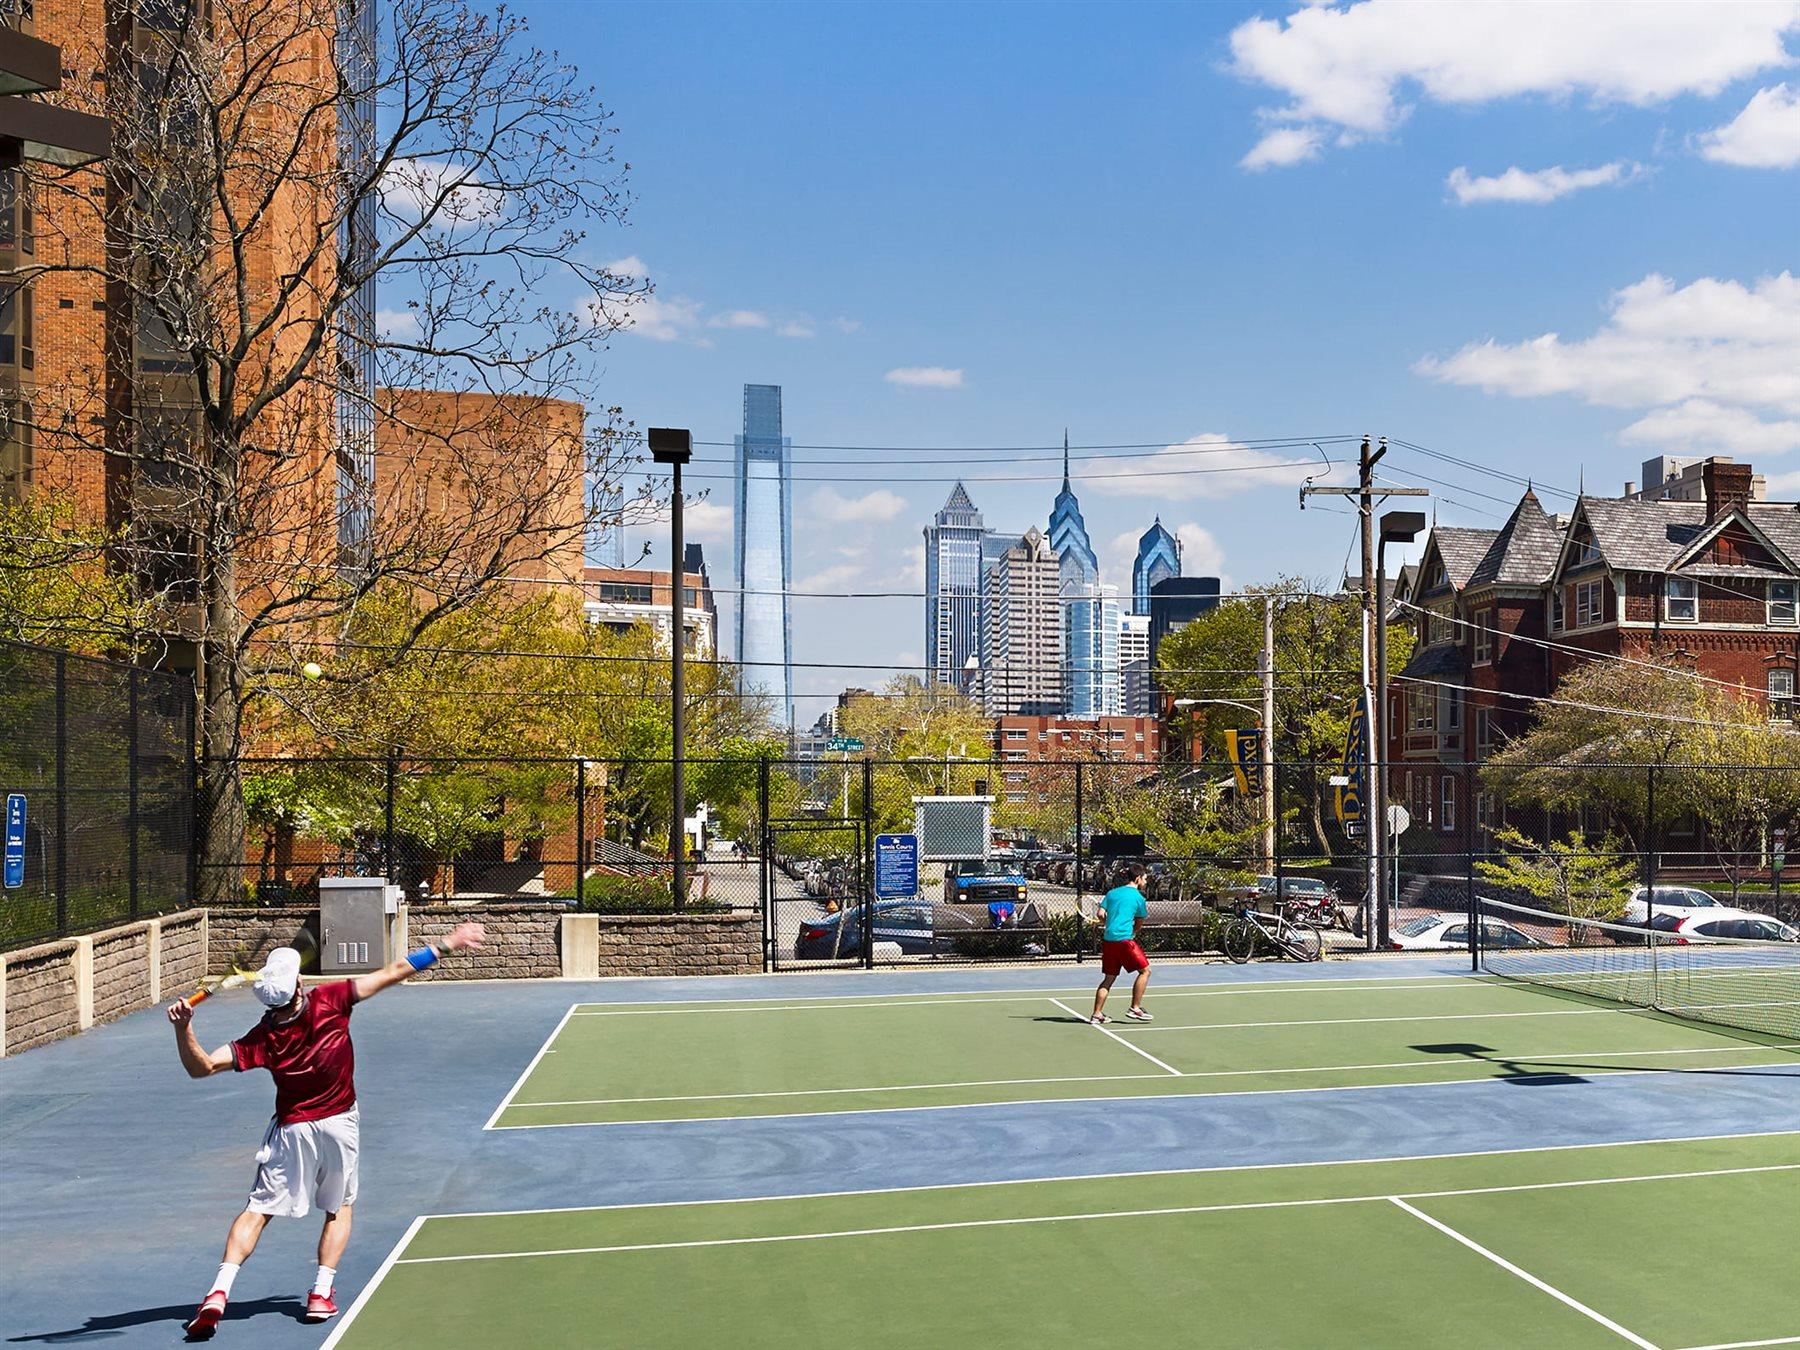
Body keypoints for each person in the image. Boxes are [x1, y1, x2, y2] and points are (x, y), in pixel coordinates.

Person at [168, 921, 485, 1338]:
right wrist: (447, 944)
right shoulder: (330, 1000)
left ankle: (217, 1293)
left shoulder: (261, 1038)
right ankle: (320, 1293)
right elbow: (394, 971)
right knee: (339, 1207)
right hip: (339, 1125)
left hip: (292, 1132)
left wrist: (182, 1027)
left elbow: (202, 1067)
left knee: (258, 1211)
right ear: (298, 984)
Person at [1091, 865, 1152, 1024]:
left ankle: (1097, 1014)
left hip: (1109, 940)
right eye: (1144, 879)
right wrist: (1133, 933)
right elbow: (1139, 923)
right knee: (1145, 971)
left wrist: (1106, 923)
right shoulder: (1139, 898)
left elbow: (1100, 914)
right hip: (1124, 941)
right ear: (1138, 879)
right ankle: (1135, 1008)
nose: (1145, 882)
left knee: (1109, 978)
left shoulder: (1111, 893)